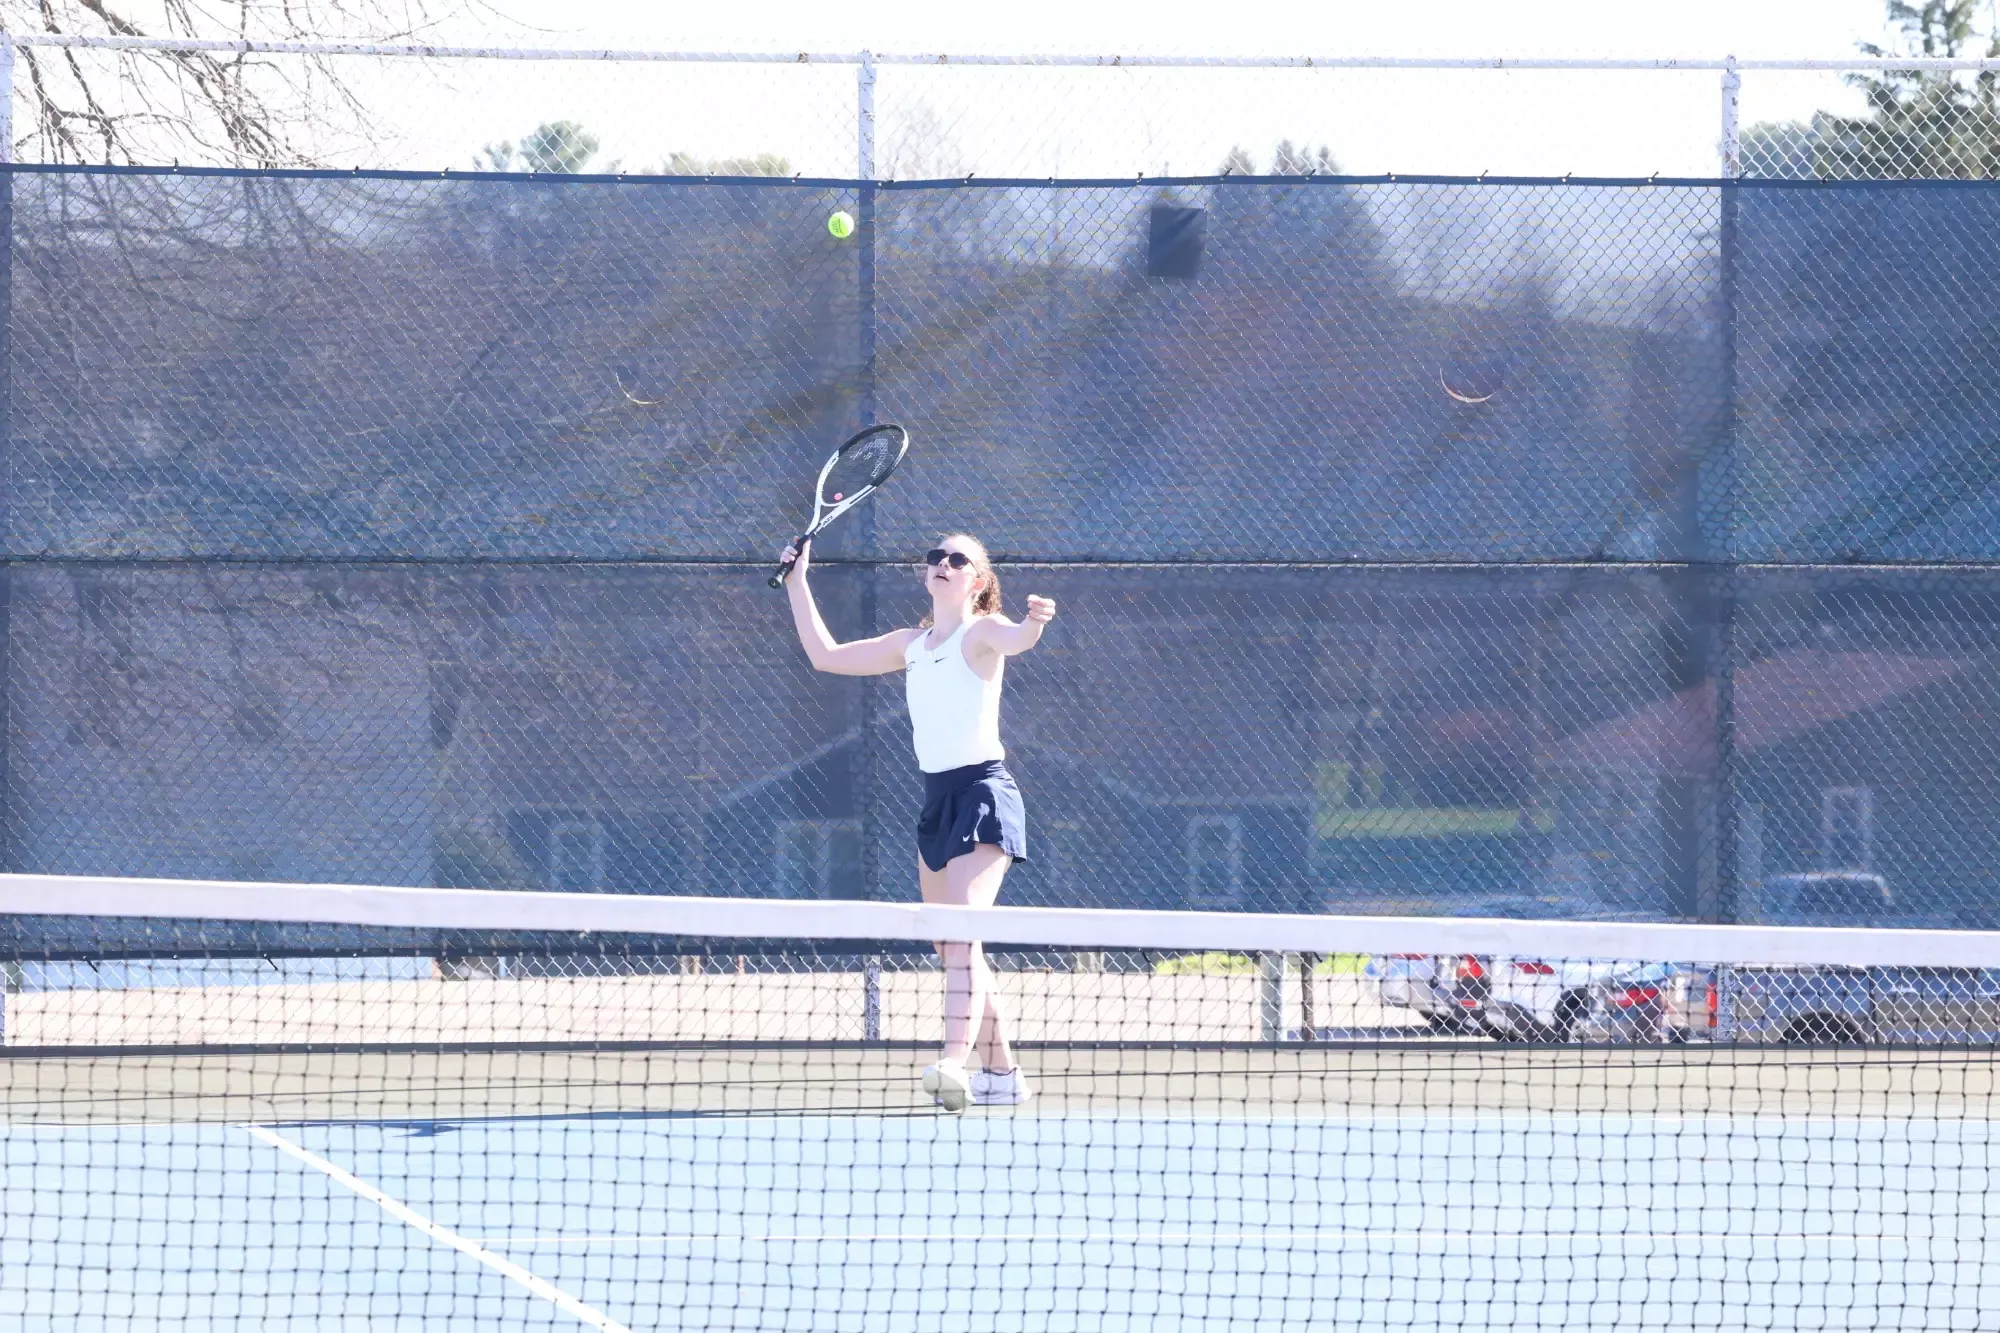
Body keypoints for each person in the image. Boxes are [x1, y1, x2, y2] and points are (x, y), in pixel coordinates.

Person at [781, 530, 1056, 1110]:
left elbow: (1017, 639)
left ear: (977, 581)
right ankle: (1001, 1075)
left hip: (983, 793)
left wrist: (1033, 622)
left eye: (959, 560)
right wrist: (797, 582)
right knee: (954, 946)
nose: (944, 564)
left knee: (961, 939)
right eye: (936, 557)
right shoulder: (910, 645)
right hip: (937, 802)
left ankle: (954, 1063)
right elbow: (824, 657)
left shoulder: (983, 632)